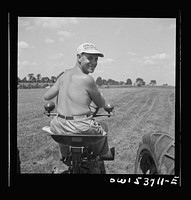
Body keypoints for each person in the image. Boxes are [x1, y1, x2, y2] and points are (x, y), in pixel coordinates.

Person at [44, 43, 114, 173]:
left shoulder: (63, 76)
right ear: (78, 57)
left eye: (96, 59)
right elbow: (100, 104)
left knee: (62, 130)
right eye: (90, 58)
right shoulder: (88, 79)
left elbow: (47, 96)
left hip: (58, 125)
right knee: (103, 126)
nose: (94, 62)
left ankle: (64, 156)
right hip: (80, 126)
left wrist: (63, 90)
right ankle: (101, 155)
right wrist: (100, 96)